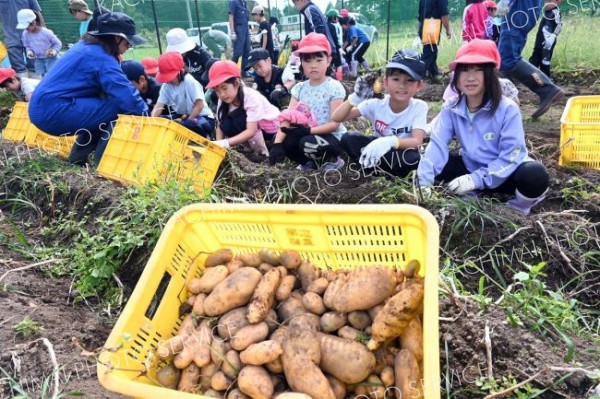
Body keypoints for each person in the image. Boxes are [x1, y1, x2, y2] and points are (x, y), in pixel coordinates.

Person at [417, 39, 549, 215]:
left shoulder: (507, 108)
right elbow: (438, 144)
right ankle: (473, 193)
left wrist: (477, 179)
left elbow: (512, 155)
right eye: (464, 70)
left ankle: (517, 208)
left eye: (478, 69)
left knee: (535, 175)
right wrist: (423, 183)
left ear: (490, 74)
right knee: (424, 159)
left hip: (505, 175)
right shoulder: (451, 106)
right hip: (470, 167)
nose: (470, 77)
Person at [28, 12, 148, 167]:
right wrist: (147, 118)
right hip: (54, 111)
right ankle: (101, 166)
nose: (127, 48)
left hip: (42, 107)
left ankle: (77, 160)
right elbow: (126, 95)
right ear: (116, 38)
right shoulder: (101, 57)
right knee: (118, 107)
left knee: (102, 111)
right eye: (127, 43)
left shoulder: (86, 47)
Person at [333, 50, 428, 178]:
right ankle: (371, 168)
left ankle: (378, 170)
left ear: (419, 85)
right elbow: (337, 117)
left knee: (413, 159)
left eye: (409, 80)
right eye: (396, 79)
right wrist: (355, 98)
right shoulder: (377, 103)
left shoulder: (419, 107)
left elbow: (417, 141)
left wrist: (391, 141)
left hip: (401, 153)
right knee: (348, 138)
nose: (402, 85)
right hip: (376, 149)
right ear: (386, 82)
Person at [268, 33, 346, 171]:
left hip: (332, 137)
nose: (313, 65)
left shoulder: (334, 87)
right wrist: (277, 144)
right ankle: (309, 163)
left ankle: (333, 159)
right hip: (308, 133)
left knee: (306, 142)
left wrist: (309, 130)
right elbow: (288, 117)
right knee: (284, 138)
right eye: (308, 61)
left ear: (328, 61)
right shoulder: (299, 88)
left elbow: (334, 124)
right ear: (301, 62)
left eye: (318, 60)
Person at [496, 0, 563, 119]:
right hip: (526, 8)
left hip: (519, 9)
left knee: (508, 58)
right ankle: (505, 105)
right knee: (504, 60)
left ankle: (547, 89)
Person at [206, 60, 281, 156]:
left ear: (236, 84)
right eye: (217, 90)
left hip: (270, 129)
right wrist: (217, 147)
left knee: (239, 120)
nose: (222, 94)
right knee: (227, 124)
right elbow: (221, 126)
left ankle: (262, 153)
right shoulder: (223, 100)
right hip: (251, 129)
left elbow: (251, 131)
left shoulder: (250, 96)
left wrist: (225, 143)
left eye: (224, 88)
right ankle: (248, 149)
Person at [150, 52, 215, 139]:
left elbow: (199, 105)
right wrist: (152, 120)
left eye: (170, 76)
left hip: (202, 117)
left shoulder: (190, 82)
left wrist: (185, 123)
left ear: (181, 71)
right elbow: (158, 106)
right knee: (163, 120)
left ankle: (206, 137)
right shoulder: (166, 86)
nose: (168, 80)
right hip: (182, 116)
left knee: (187, 126)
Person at [0, 0, 44, 77]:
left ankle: (36, 85)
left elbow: (37, 12)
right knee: (17, 67)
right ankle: (22, 87)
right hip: (11, 36)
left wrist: (43, 30)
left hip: (30, 35)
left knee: (34, 65)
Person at [292, 0, 338, 71]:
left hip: (320, 49)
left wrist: (314, 48)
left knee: (317, 74)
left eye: (295, 4)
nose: (295, 7)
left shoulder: (309, 10)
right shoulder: (314, 8)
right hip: (326, 47)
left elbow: (317, 29)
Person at [18, 9, 61, 78]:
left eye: (27, 26)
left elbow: (58, 43)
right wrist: (29, 52)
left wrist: (54, 51)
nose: (26, 28)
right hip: (39, 59)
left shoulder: (46, 32)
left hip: (51, 59)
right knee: (43, 77)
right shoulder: (25, 34)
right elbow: (27, 46)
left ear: (33, 22)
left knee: (52, 76)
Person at [417, 0, 452, 82]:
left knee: (431, 51)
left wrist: (419, 30)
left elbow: (420, 15)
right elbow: (444, 14)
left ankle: (434, 73)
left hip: (423, 25)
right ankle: (418, 74)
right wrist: (448, 29)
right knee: (429, 53)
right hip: (432, 26)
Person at [529, 0, 562, 79]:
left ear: (557, 2)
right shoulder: (546, 12)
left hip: (548, 41)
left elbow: (559, 25)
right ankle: (530, 76)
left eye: (549, 1)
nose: (546, 4)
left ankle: (547, 78)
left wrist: (553, 36)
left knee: (545, 60)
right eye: (545, 1)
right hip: (540, 39)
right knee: (535, 57)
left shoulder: (555, 12)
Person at [229, 0, 251, 73]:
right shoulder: (234, 2)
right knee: (238, 52)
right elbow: (231, 17)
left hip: (245, 30)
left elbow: (246, 20)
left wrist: (249, 33)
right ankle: (231, 71)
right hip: (239, 29)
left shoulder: (244, 3)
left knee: (247, 50)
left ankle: (244, 71)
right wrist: (232, 32)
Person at [326, 9, 344, 80]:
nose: (338, 19)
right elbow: (335, 39)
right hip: (334, 48)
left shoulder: (325, 25)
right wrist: (339, 48)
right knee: (338, 64)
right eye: (337, 17)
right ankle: (339, 80)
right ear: (333, 17)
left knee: (327, 64)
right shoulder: (333, 27)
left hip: (327, 48)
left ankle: (326, 79)